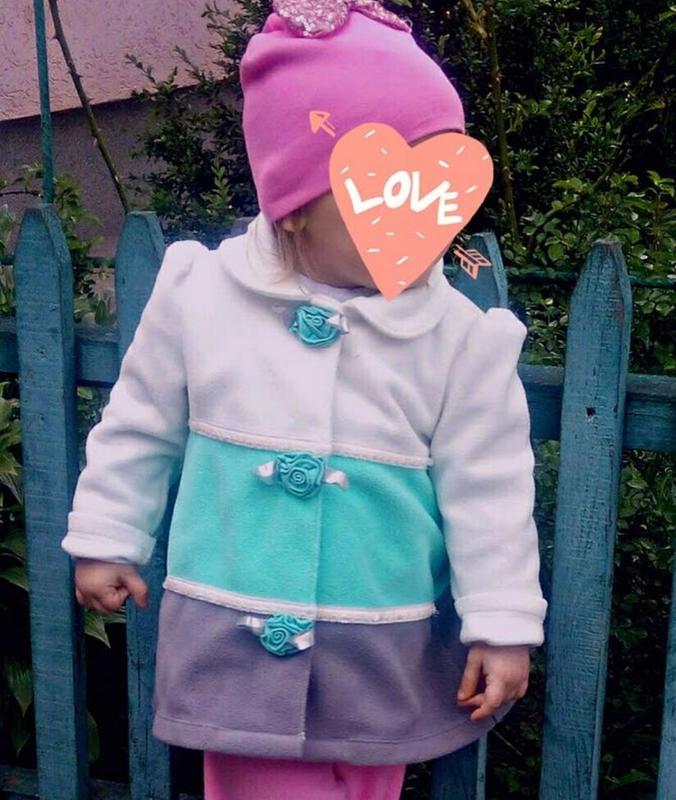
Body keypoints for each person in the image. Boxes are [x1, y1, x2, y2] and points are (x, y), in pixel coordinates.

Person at [61, 1, 549, 798]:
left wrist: (501, 624)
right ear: (291, 206)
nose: (419, 223)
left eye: (433, 195)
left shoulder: (457, 338)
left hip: (380, 649)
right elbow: (140, 426)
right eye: (383, 197)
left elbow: (489, 488)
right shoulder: (201, 297)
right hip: (235, 641)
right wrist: (109, 536)